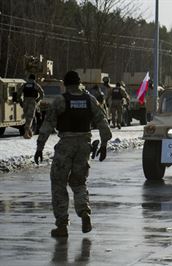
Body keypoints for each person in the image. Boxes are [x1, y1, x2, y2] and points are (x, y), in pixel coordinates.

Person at [34, 71, 112, 238]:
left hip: (66, 146)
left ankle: (62, 225)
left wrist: (39, 147)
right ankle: (85, 213)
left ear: (65, 84)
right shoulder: (90, 99)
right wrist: (104, 143)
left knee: (58, 182)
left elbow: (48, 124)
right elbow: (103, 121)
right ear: (79, 83)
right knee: (79, 182)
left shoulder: (61, 101)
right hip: (84, 145)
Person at [17, 74, 44, 139]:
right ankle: (26, 133)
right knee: (30, 117)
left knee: (27, 117)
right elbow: (42, 93)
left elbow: (18, 93)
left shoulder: (24, 85)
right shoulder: (35, 85)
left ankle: (30, 132)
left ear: (29, 78)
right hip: (32, 102)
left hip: (25, 102)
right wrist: (38, 100)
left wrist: (20, 101)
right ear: (34, 79)